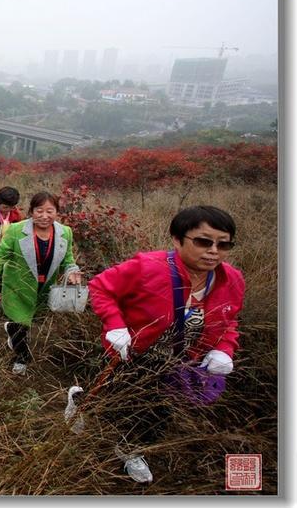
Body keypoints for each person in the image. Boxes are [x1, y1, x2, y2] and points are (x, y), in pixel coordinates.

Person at [86, 206, 244, 484]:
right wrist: (115, 325)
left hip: (184, 361)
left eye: (224, 244)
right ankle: (83, 403)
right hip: (135, 352)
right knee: (116, 398)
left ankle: (129, 449)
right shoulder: (147, 267)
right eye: (204, 241)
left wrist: (224, 350)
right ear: (177, 239)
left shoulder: (231, 279)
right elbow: (100, 287)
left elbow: (229, 319)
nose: (214, 251)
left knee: (157, 410)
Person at [0, 192, 82, 375]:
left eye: (50, 211)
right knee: (21, 322)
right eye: (39, 210)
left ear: (57, 212)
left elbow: (68, 259)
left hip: (43, 288)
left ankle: (11, 329)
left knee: (27, 322)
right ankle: (22, 358)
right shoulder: (17, 230)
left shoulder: (65, 233)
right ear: (31, 212)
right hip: (17, 287)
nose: (44, 216)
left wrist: (72, 270)